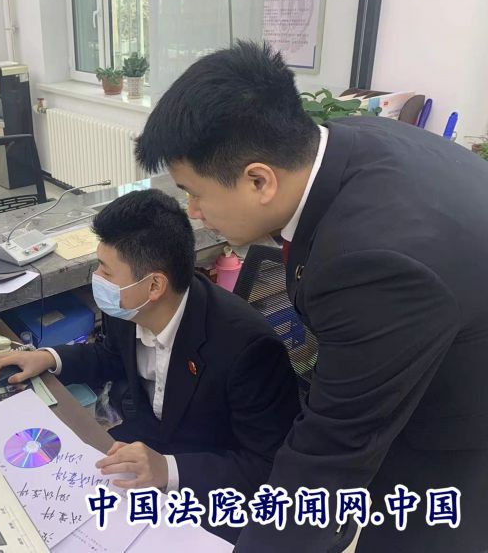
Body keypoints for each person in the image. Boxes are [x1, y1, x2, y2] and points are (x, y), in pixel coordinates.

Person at [134, 40, 488, 552]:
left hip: (459, 424)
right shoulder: (343, 143)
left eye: (196, 192)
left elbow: (330, 454)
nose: (192, 211)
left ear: (259, 180)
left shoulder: (371, 264)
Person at [0, 189, 299, 542]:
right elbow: (111, 355)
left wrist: (168, 469)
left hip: (208, 477)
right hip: (147, 440)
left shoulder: (247, 348)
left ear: (154, 285)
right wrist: (49, 357)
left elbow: (267, 466)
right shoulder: (128, 307)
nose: (97, 279)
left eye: (106, 270)